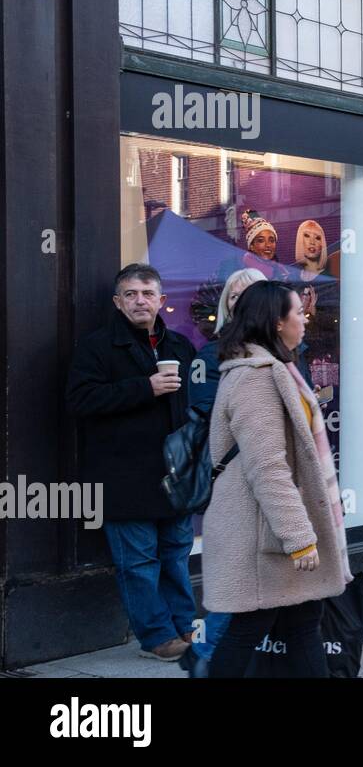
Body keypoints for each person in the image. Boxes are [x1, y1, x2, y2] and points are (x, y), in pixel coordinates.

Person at [203, 281, 351, 678]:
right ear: (275, 321)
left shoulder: (275, 368)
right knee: (249, 629)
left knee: (303, 622)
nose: (304, 318)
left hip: (271, 532)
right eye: (297, 312)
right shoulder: (255, 378)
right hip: (264, 535)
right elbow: (267, 467)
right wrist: (299, 537)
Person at [66, 264, 198, 661]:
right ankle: (157, 637)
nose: (140, 300)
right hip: (122, 474)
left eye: (147, 293)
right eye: (130, 294)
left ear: (161, 301)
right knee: (138, 561)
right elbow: (80, 401)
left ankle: (185, 627)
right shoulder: (96, 347)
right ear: (117, 302)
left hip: (174, 475)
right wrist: (145, 388)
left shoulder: (180, 347)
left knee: (176, 553)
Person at [179, 267, 267, 677]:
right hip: (235, 478)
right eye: (234, 296)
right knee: (240, 570)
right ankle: (206, 651)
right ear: (225, 306)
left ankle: (221, 654)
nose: (241, 302)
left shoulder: (281, 352)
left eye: (250, 294)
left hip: (271, 476)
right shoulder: (210, 356)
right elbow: (208, 418)